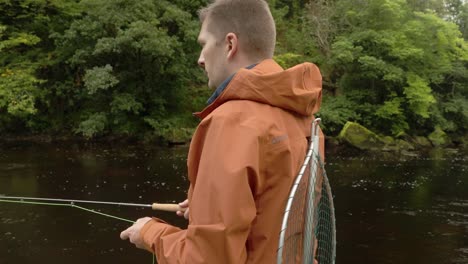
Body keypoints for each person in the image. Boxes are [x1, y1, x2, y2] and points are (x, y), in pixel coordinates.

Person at [120, 0, 324, 263]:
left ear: (229, 44)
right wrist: (203, 203)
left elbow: (208, 259)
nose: (200, 59)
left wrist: (151, 232)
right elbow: (272, 207)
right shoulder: (301, 116)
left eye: (204, 44)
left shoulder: (233, 121)